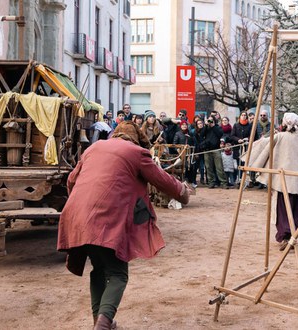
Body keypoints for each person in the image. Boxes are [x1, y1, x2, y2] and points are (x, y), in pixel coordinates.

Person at [57, 122, 191, 330]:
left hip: (77, 216)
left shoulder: (94, 148)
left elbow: (71, 182)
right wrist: (183, 192)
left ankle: (99, 321)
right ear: (136, 139)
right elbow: (162, 180)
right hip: (106, 219)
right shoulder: (136, 152)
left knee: (99, 269)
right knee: (118, 274)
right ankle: (102, 325)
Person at [246, 113, 298, 250]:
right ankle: (292, 236)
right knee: (297, 210)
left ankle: (287, 237)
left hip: (284, 183)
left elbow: (264, 145)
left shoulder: (280, 137)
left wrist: (252, 145)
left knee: (283, 211)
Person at [201, 116, 228, 189]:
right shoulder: (206, 128)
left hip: (216, 149)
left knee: (219, 167)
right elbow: (201, 135)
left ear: (214, 121)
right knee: (208, 167)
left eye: (211, 120)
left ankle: (223, 183)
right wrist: (205, 126)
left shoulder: (218, 127)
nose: (210, 122)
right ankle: (211, 182)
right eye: (209, 120)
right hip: (207, 150)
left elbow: (220, 134)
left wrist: (213, 126)